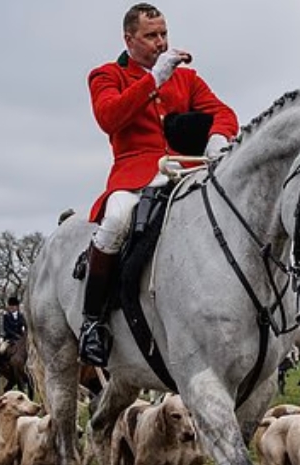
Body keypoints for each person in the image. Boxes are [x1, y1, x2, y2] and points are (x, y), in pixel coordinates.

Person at [79, 3, 238, 365]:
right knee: (116, 220)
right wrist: (153, 81)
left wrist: (218, 136)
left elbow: (223, 112)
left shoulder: (187, 77)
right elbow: (109, 117)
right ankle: (93, 321)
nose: (161, 42)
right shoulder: (106, 75)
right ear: (129, 39)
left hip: (186, 168)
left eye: (164, 34)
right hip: (135, 171)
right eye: (151, 36)